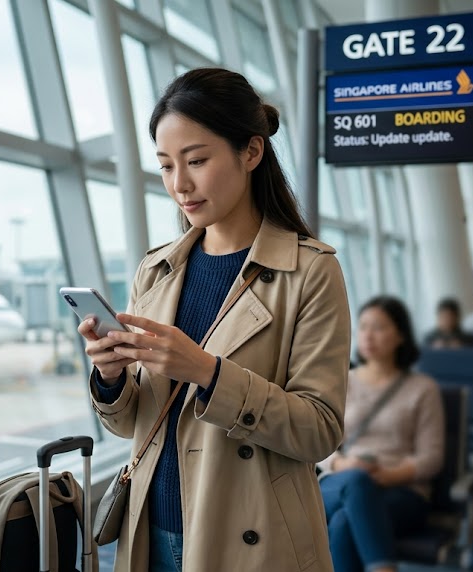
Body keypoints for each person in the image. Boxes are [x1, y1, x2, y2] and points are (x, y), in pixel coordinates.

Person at [78, 68, 350, 572]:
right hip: (150, 532)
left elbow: (321, 430)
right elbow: (131, 425)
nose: (180, 184)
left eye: (197, 161)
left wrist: (209, 373)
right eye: (165, 166)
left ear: (251, 152)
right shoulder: (156, 269)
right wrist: (111, 377)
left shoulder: (310, 270)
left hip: (251, 540)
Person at [317, 297, 445, 572]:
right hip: (342, 480)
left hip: (402, 492)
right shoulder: (342, 382)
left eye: (378, 327)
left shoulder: (423, 388)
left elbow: (432, 457)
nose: (368, 335)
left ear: (400, 335)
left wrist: (389, 475)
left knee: (342, 522)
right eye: (363, 327)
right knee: (355, 484)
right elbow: (319, 440)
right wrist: (341, 464)